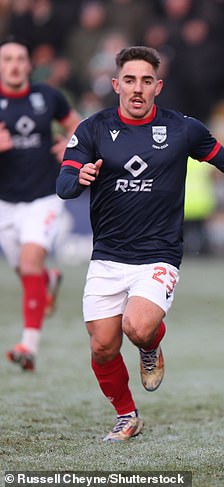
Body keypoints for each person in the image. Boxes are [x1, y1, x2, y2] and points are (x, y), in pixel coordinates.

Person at [56, 46, 224, 442]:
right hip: (107, 257)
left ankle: (150, 344)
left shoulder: (183, 128)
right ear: (116, 84)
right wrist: (78, 176)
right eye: (130, 80)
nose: (137, 89)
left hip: (159, 253)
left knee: (137, 327)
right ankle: (127, 416)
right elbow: (64, 184)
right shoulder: (92, 129)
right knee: (102, 347)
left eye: (146, 81)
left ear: (158, 86)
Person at [0, 36, 81, 371]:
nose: (15, 64)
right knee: (25, 269)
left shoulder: (47, 96)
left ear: (29, 65)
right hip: (5, 201)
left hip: (44, 196)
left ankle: (28, 346)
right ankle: (47, 281)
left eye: (21, 58)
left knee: (30, 264)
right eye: (7, 59)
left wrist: (70, 145)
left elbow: (78, 125)